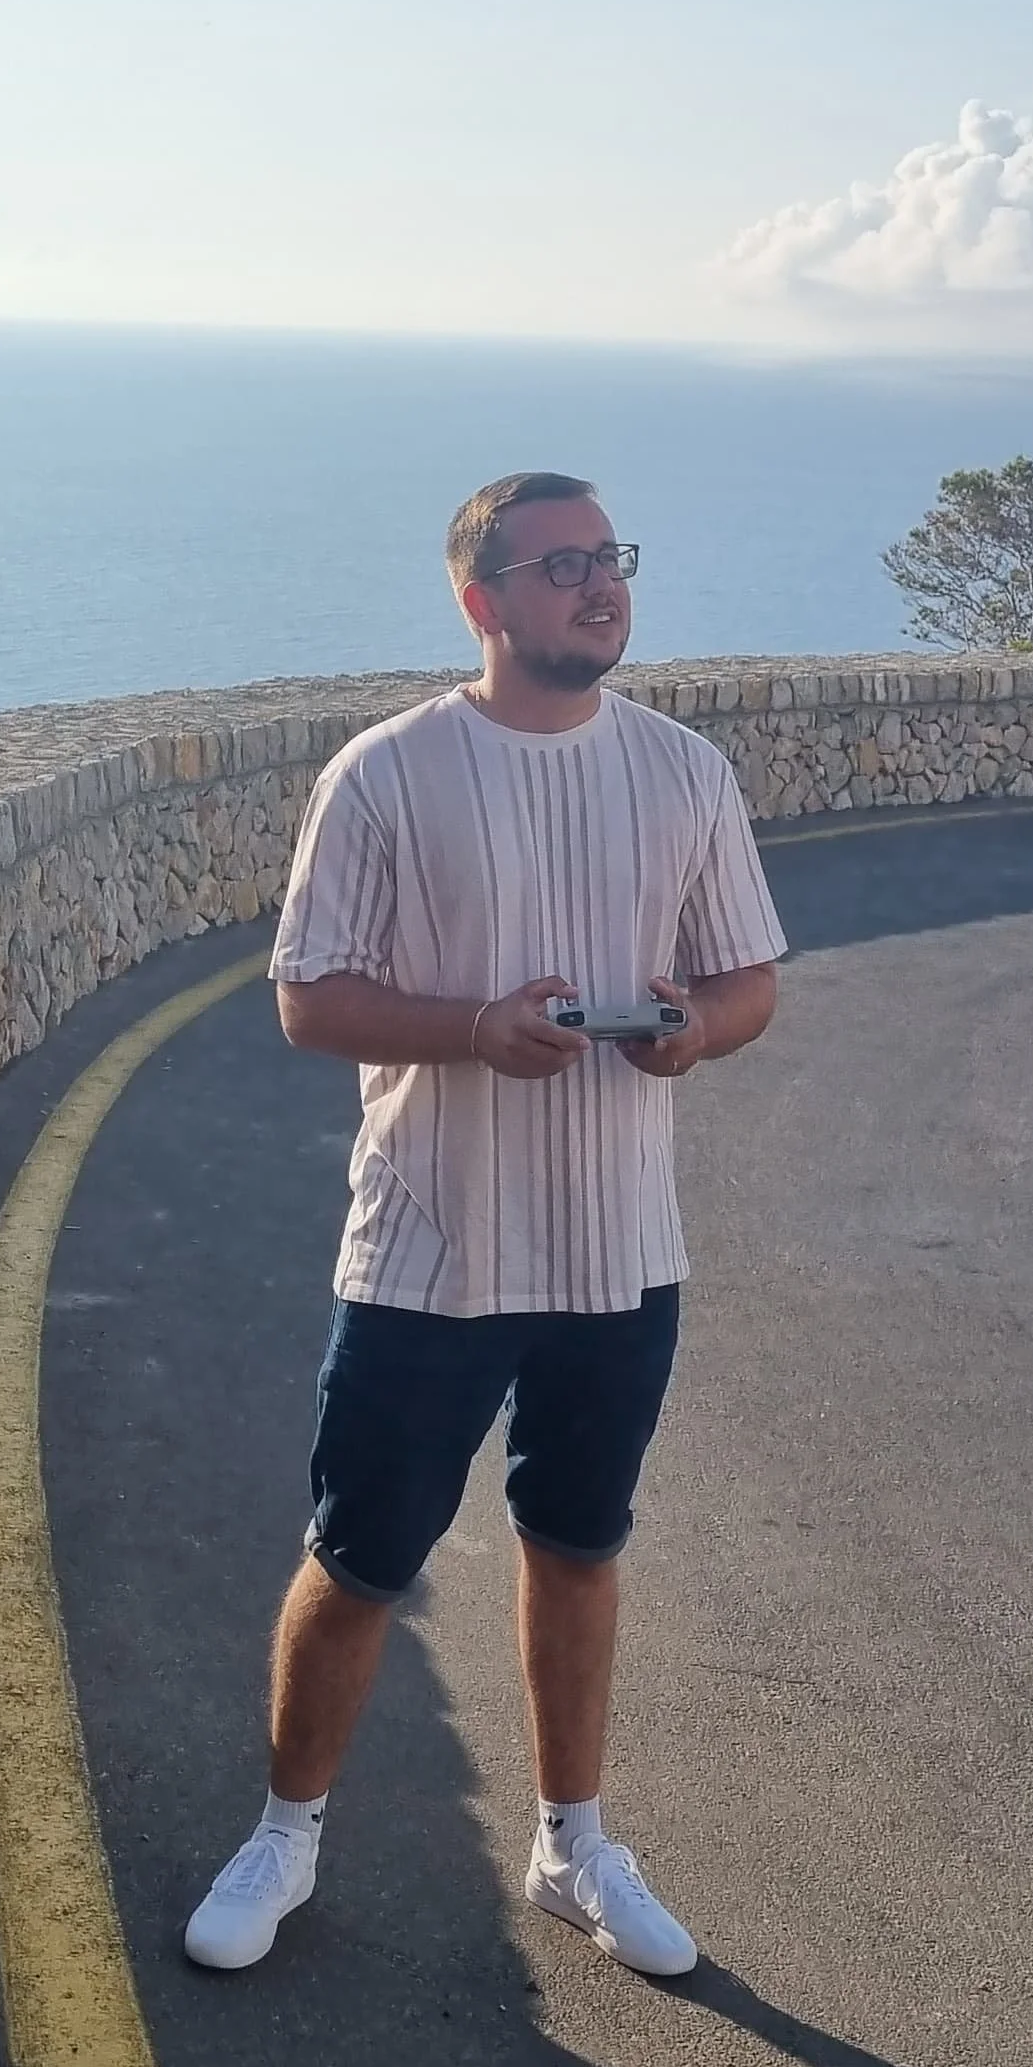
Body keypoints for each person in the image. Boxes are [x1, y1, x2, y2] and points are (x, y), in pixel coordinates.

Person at [185, 472, 785, 1981]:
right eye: (564, 564)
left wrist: (692, 1032)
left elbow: (749, 981)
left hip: (616, 1248)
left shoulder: (685, 773)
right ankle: (286, 1834)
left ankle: (575, 1845)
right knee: (363, 1554)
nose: (602, 586)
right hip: (432, 1249)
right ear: (483, 601)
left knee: (578, 1547)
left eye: (613, 559)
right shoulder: (386, 775)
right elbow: (309, 995)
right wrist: (471, 1027)